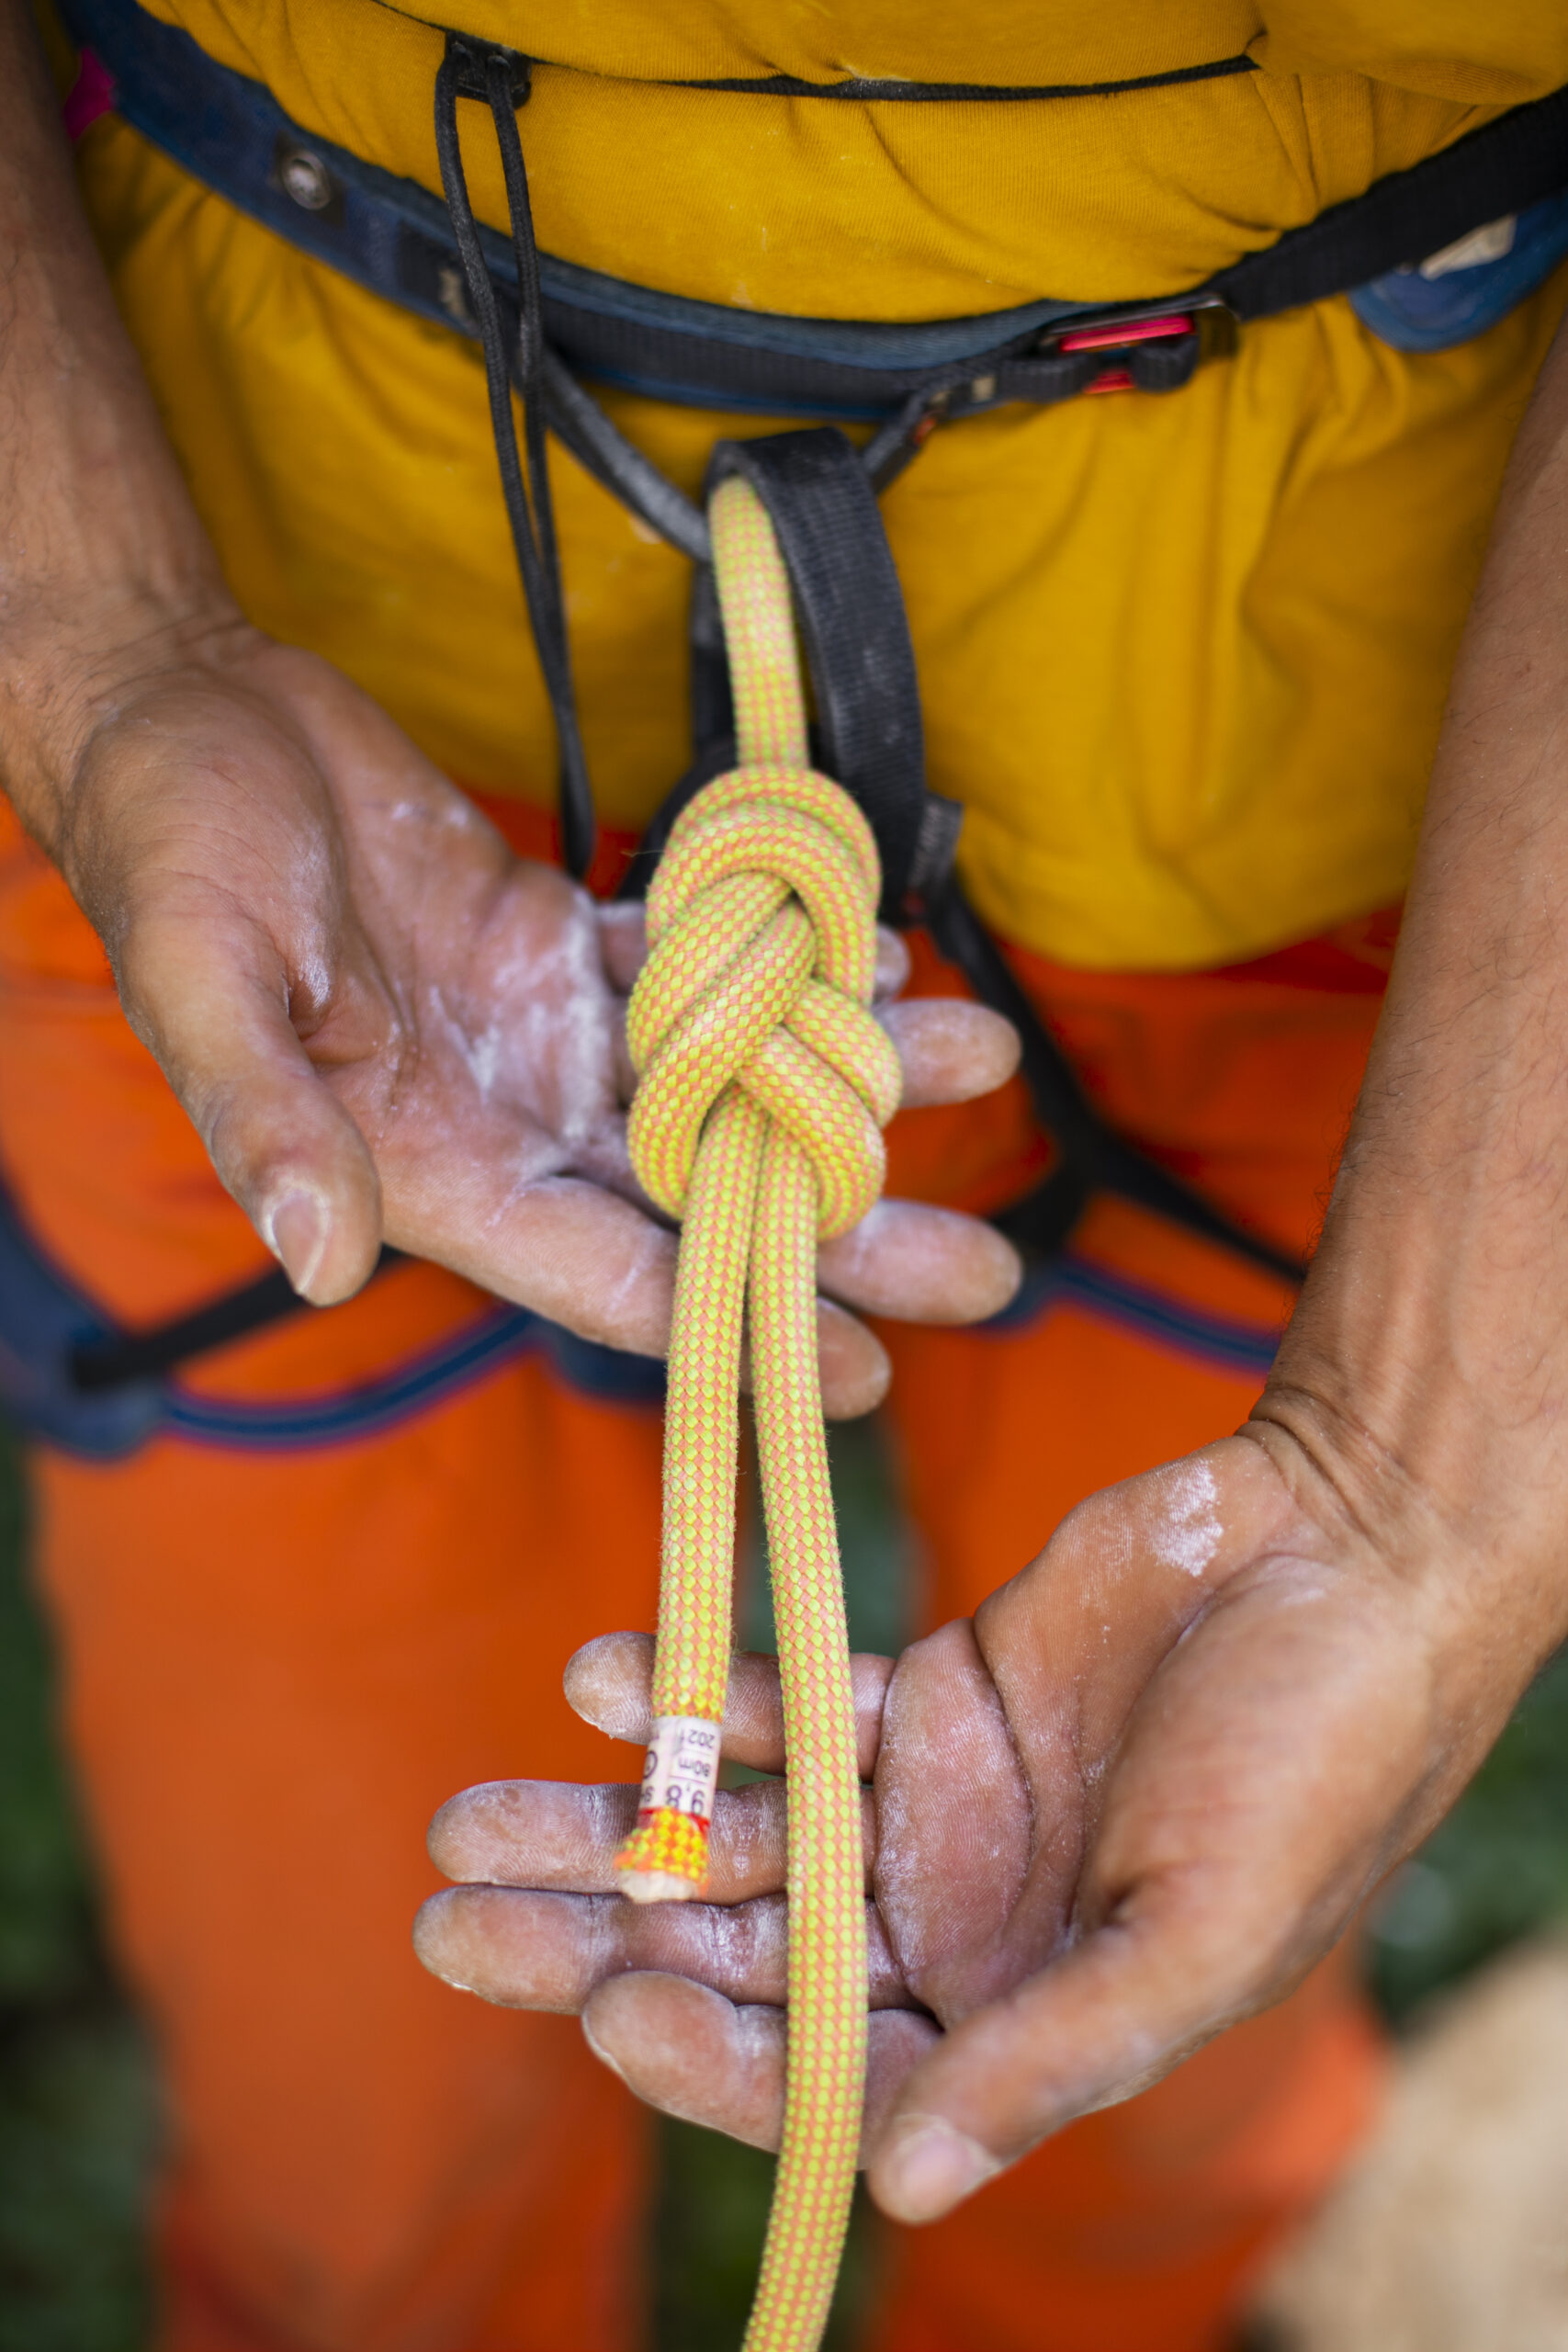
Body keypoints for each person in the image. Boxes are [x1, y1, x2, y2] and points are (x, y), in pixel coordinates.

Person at [3, 0, 1567, 2346]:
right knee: (334, 1920)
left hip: (1361, 797)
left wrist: (1427, 1466)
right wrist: (95, 628)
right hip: (278, 688)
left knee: (1131, 1898)